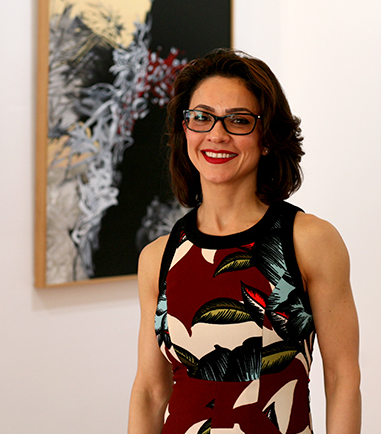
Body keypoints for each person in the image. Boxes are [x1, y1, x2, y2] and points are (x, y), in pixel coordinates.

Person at [128, 49, 361, 434]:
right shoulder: (159, 257)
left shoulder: (308, 240)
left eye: (238, 120)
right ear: (185, 130)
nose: (216, 135)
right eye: (201, 117)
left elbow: (342, 378)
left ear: (266, 138)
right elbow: (151, 392)